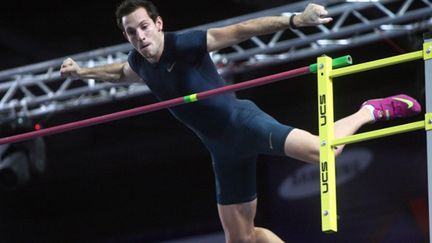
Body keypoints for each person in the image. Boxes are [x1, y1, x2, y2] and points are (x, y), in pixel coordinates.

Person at [60, 1, 422, 242]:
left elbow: (241, 29)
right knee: (242, 238)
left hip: (244, 124)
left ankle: (368, 111)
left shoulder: (184, 44)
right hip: (221, 150)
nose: (139, 37)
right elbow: (119, 73)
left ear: (157, 24)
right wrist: (82, 72)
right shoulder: (138, 63)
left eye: (143, 27)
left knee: (323, 151)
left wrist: (295, 20)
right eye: (130, 32)